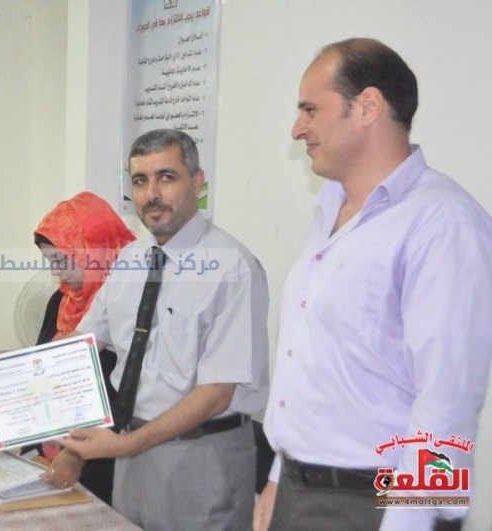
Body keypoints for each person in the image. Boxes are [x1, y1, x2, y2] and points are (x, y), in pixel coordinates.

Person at [253, 38, 492, 531]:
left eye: (310, 110)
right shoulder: (331, 210)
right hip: (300, 491)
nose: (297, 129)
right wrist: (280, 474)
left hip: (377, 505)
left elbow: (447, 399)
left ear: (367, 106)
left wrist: (410, 522)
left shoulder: (443, 223)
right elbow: (315, 366)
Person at [56, 129, 270, 531]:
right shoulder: (130, 259)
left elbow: (215, 394)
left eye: (166, 177)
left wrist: (124, 444)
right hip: (130, 455)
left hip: (202, 458)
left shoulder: (233, 267)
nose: (152, 194)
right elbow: (80, 348)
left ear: (198, 182)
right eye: (140, 181)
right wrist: (7, 410)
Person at [28, 191, 136, 505]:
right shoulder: (59, 302)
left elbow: (122, 396)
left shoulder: (128, 307)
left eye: (62, 260)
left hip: (103, 456)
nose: (56, 272)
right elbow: (41, 369)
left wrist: (74, 451)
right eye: (51, 262)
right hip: (51, 449)